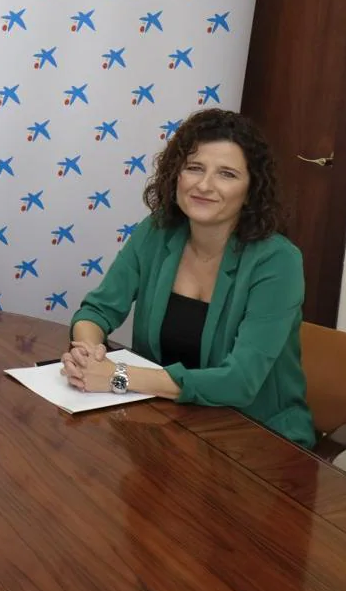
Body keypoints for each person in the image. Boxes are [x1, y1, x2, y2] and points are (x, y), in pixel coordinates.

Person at [63, 108, 314, 448]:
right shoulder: (157, 232)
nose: (204, 185)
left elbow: (239, 382)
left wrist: (118, 377)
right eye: (194, 168)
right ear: (176, 174)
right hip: (168, 422)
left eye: (227, 174)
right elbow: (97, 310)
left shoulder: (278, 261)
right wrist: (87, 352)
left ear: (252, 189)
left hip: (255, 437)